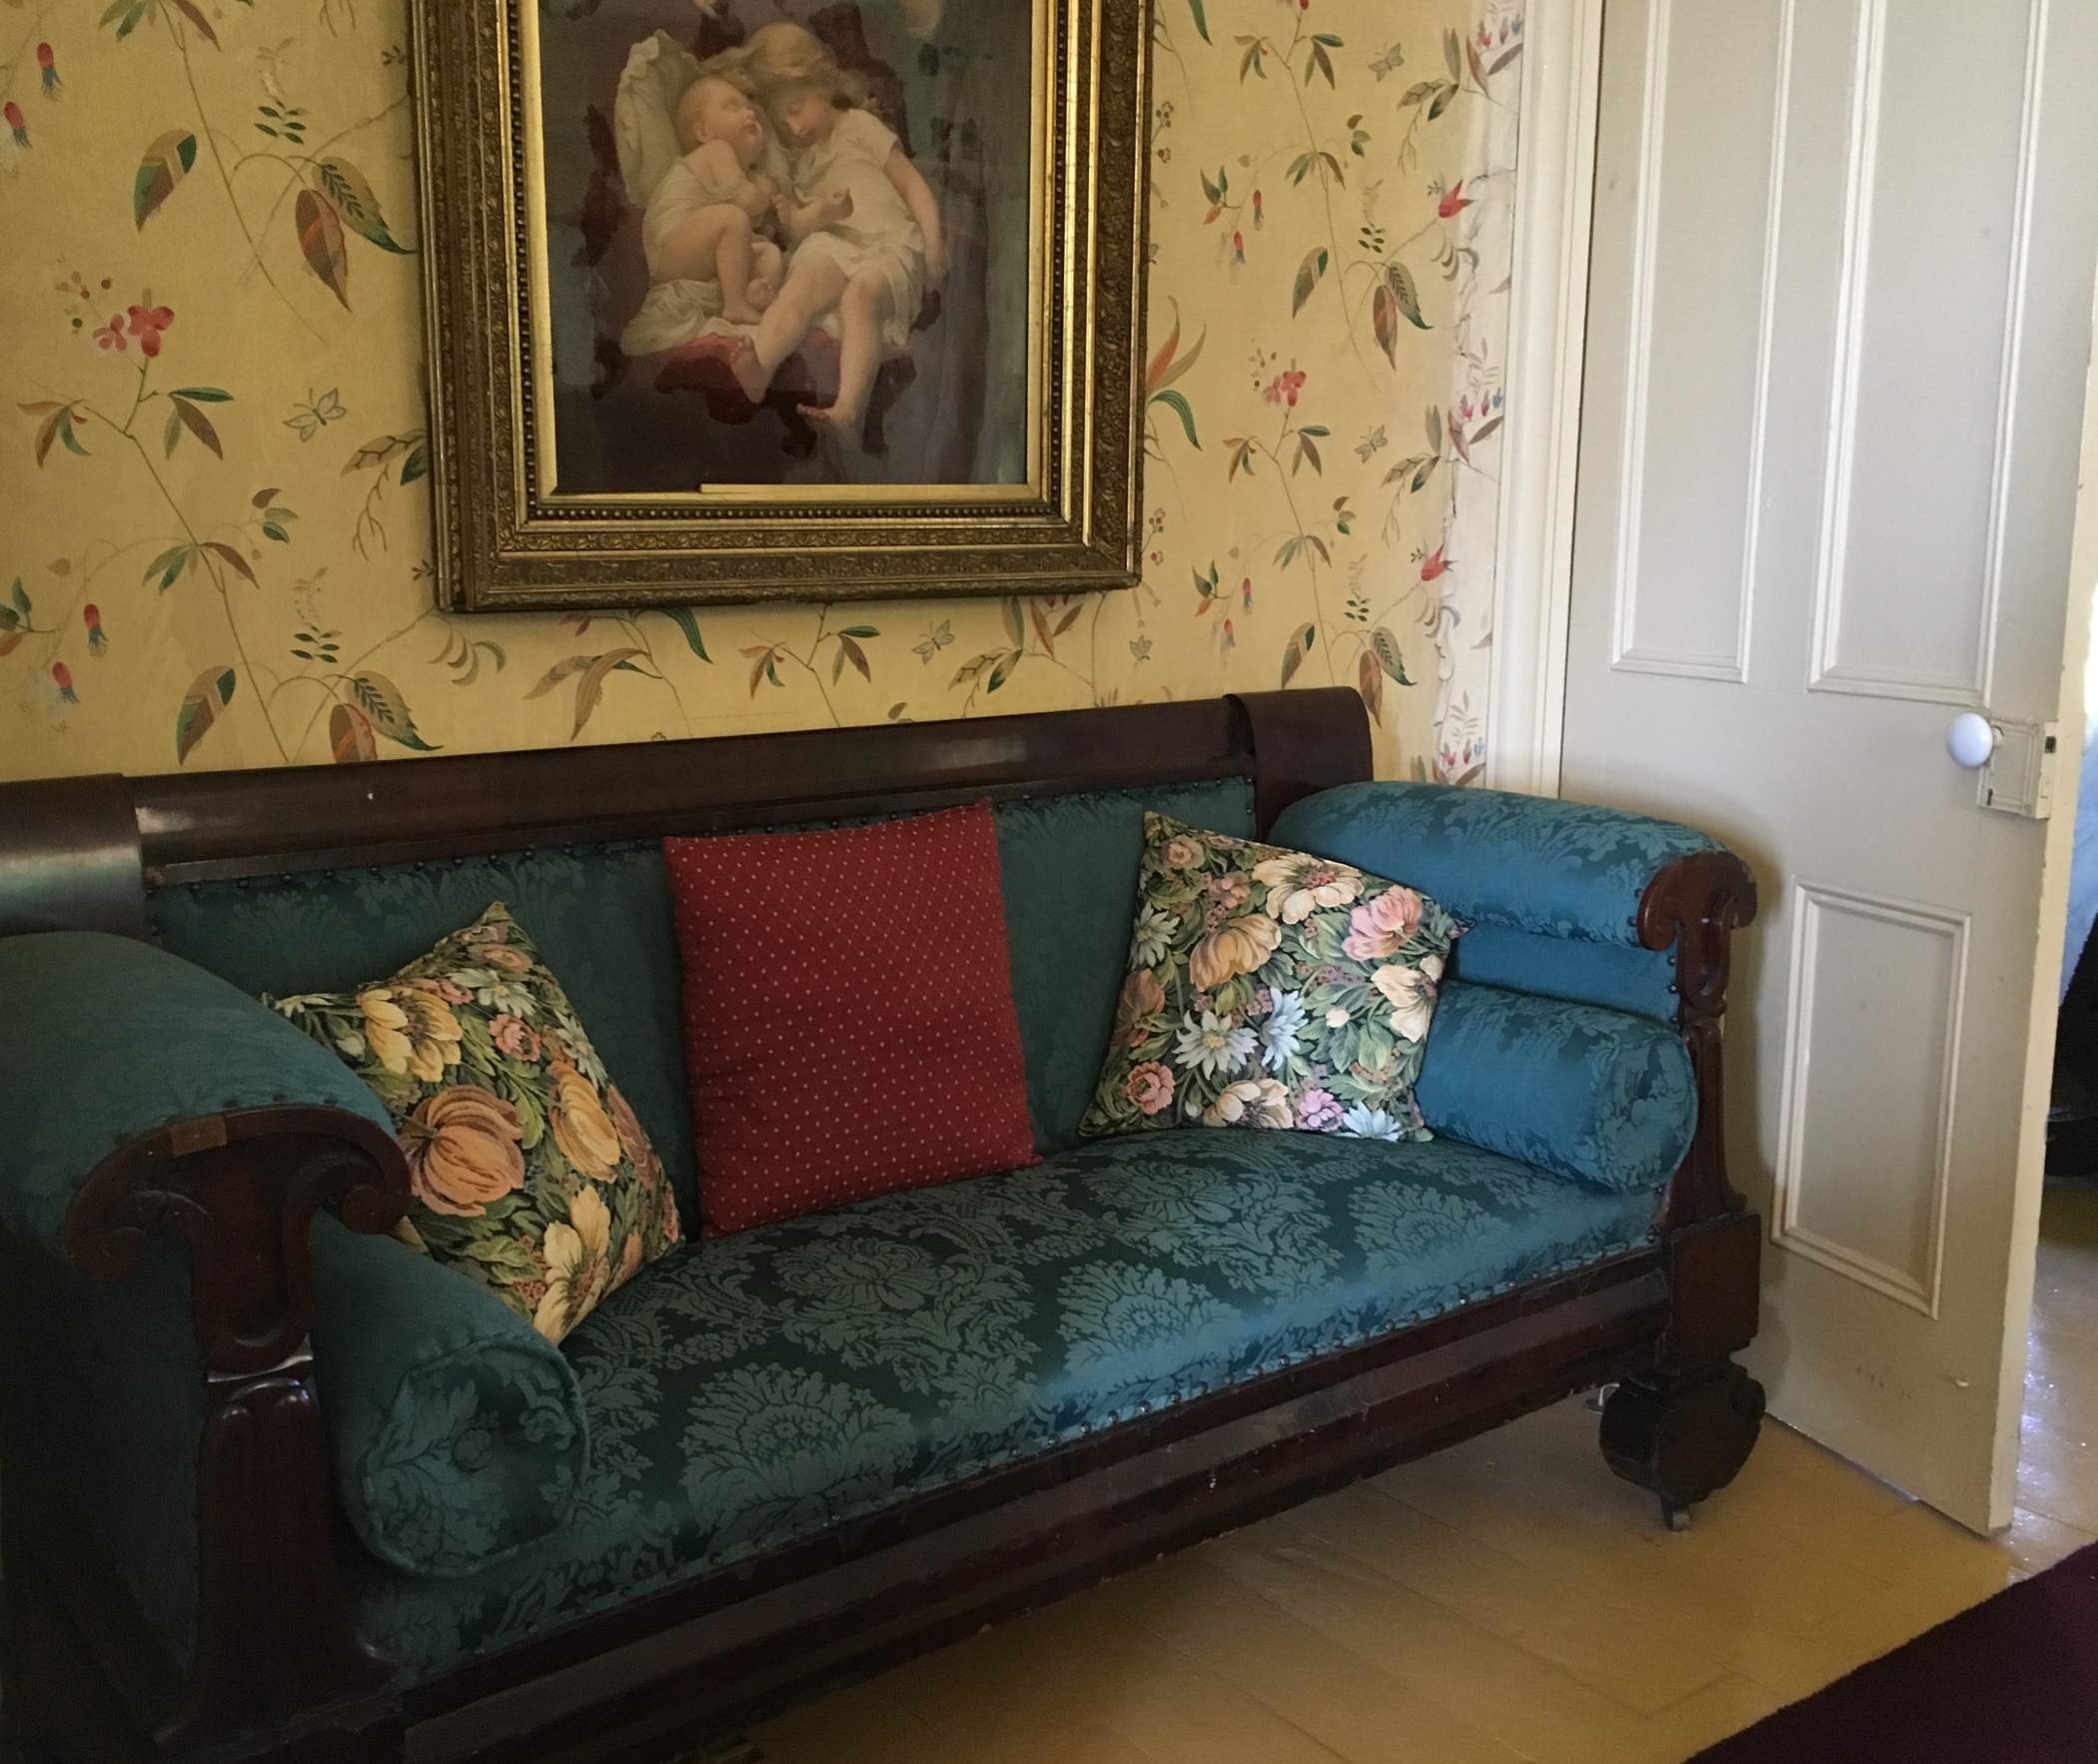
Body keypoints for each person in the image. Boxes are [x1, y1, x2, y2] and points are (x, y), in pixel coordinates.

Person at [724, 22, 947, 441]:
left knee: (860, 293)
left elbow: (911, 184)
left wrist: (934, 243)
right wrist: (823, 214)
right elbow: (798, 226)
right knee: (803, 282)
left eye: (796, 108)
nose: (793, 128)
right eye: (781, 120)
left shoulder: (859, 127)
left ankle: (848, 407)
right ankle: (762, 367)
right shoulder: (799, 163)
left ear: (823, 84)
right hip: (836, 246)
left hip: (889, 247)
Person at [640, 74, 782, 330]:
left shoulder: (736, 168)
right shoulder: (718, 151)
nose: (749, 114)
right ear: (703, 132)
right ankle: (735, 305)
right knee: (732, 218)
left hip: (700, 252)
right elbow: (745, 203)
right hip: (671, 247)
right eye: (733, 107)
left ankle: (749, 293)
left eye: (751, 111)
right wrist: (761, 193)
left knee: (769, 253)